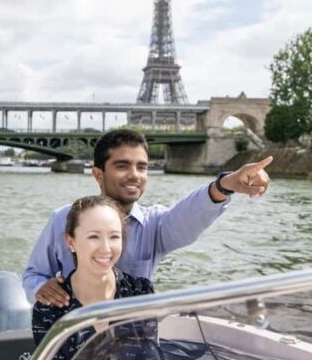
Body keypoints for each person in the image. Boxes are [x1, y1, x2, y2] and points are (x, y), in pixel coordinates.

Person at [23, 129, 272, 307]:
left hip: (132, 336)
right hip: (73, 335)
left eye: (141, 167)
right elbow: (33, 275)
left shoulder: (155, 225)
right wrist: (40, 289)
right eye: (122, 166)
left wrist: (227, 184)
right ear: (98, 174)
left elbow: (190, 215)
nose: (135, 175)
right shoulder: (63, 219)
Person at [32, 195, 172, 360]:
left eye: (114, 236)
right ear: (70, 242)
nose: (106, 249)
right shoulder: (49, 309)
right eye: (93, 236)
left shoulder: (140, 292)